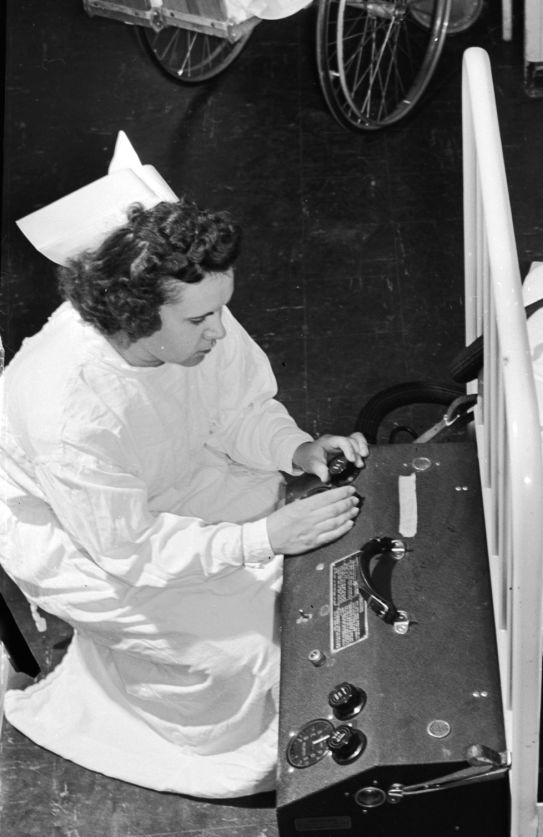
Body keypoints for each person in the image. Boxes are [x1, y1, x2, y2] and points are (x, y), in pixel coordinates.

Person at [0, 194, 366, 798]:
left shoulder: (194, 316)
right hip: (86, 544)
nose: (220, 330)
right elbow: (130, 549)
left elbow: (237, 409)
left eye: (222, 309)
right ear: (133, 316)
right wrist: (261, 539)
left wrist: (296, 450)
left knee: (297, 597)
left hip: (176, 482)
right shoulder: (68, 413)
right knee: (244, 654)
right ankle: (175, 729)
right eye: (201, 320)